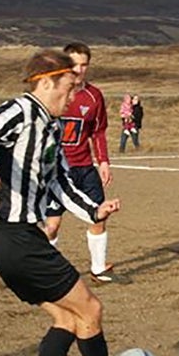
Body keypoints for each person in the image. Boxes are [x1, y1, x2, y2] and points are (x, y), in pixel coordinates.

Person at [0, 49, 152, 356]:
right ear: (46, 82)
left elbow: (61, 182)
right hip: (15, 237)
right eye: (68, 88)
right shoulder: (19, 110)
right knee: (91, 309)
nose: (72, 97)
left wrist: (94, 211)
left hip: (16, 238)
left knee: (69, 316)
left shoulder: (51, 125)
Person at [43, 42, 116, 284]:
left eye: (84, 64)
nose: (79, 69)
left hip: (84, 168)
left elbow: (99, 131)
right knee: (52, 225)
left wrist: (103, 161)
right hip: (55, 172)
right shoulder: (51, 94)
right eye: (74, 64)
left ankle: (98, 268)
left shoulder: (94, 96)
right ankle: (46, 270)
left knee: (99, 215)